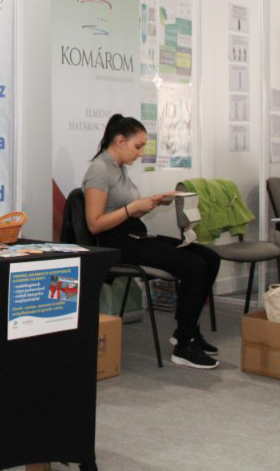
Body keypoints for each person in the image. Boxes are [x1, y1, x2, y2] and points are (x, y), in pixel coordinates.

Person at [83, 114, 221, 369]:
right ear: (120, 141)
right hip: (117, 244)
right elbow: (95, 224)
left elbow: (124, 209)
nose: (140, 153)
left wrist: (149, 204)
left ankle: (186, 330)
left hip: (135, 234)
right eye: (138, 146)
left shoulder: (118, 167)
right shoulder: (99, 170)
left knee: (209, 257)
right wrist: (133, 207)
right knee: (194, 266)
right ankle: (184, 346)